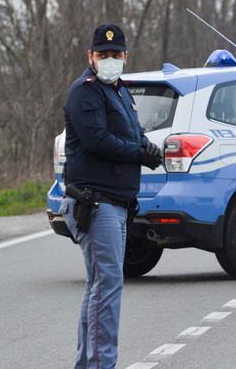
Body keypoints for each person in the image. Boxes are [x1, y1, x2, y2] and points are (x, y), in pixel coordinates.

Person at [59, 23, 162, 369]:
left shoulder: (120, 91)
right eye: (103, 55)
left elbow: (133, 133)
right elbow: (97, 140)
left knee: (98, 286)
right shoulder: (84, 92)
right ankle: (102, 364)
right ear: (90, 56)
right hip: (96, 202)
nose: (110, 60)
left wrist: (148, 146)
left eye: (115, 54)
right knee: (107, 287)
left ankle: (88, 364)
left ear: (125, 57)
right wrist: (137, 153)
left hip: (115, 203)